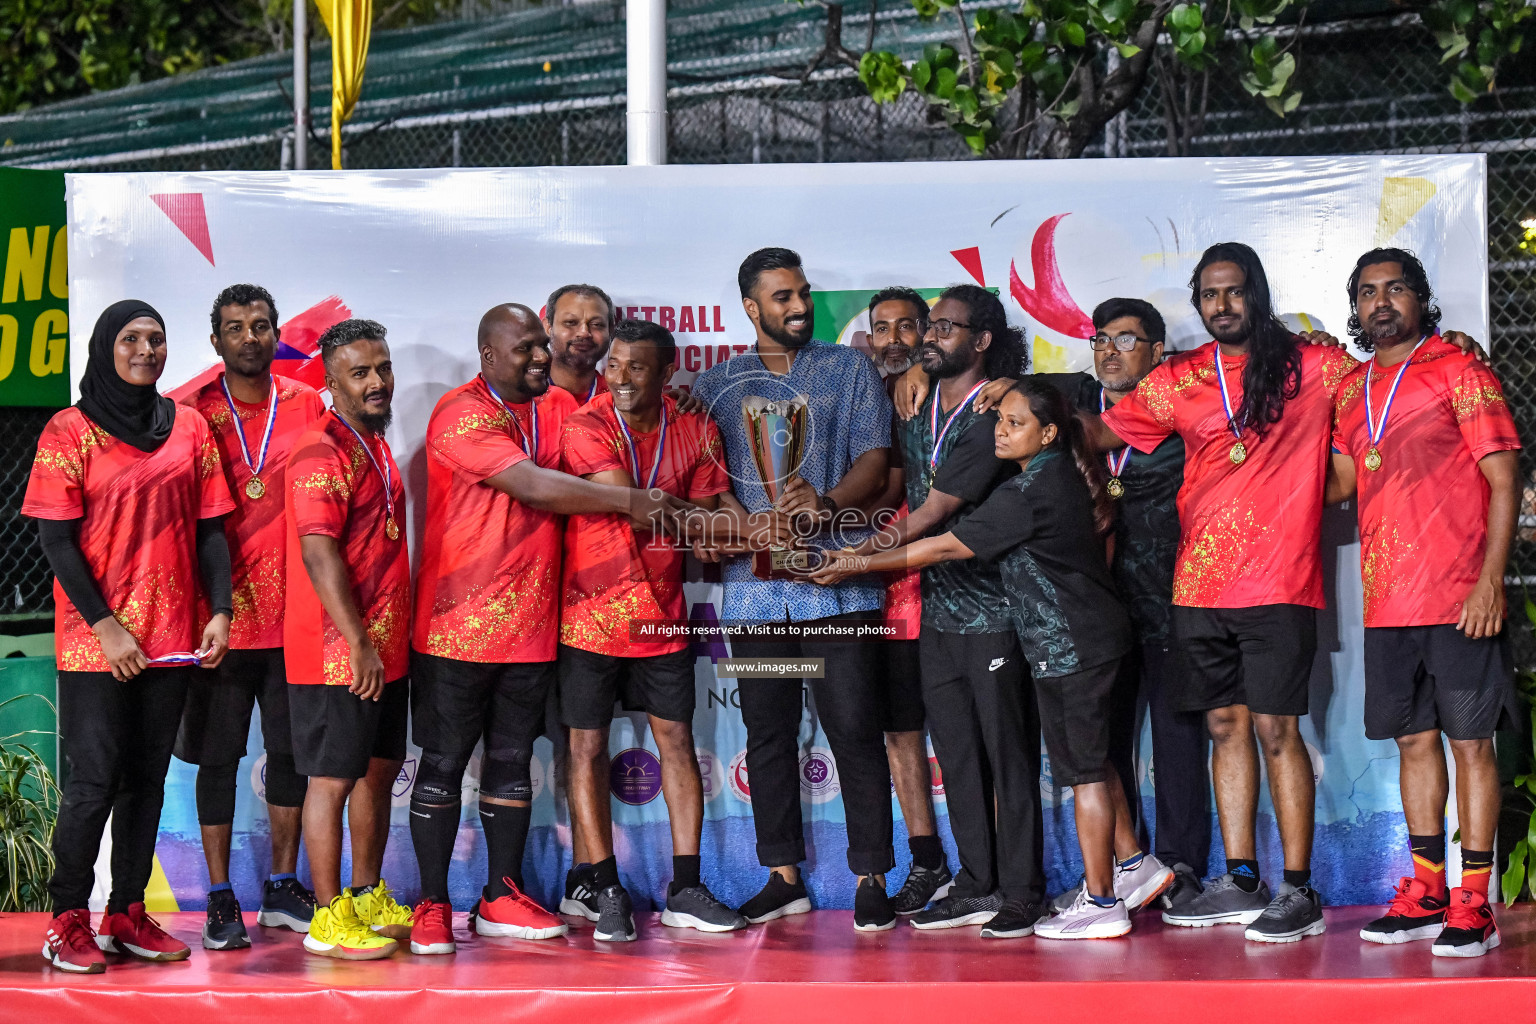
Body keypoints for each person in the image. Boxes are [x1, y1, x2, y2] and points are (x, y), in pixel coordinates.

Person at [1083, 243, 1355, 943]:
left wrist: (1300, 500)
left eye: (1233, 292)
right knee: (1224, 729)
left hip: (1280, 583)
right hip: (1198, 586)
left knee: (1276, 731)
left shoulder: (1315, 365)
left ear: (1255, 295)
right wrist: (1015, 397)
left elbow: (1381, 398)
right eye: (1209, 294)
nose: (1221, 305)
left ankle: (1298, 889)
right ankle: (1240, 881)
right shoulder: (1181, 379)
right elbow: (1101, 431)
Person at [406, 305, 690, 955]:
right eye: (526, 348)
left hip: (534, 631)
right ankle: (430, 903)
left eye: (542, 345)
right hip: (456, 630)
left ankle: (500, 895)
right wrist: (630, 502)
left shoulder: (559, 408)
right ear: (487, 356)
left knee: (511, 767)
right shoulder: (461, 410)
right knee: (444, 767)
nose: (541, 356)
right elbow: (534, 485)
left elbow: (610, 446)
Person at [813, 379, 1141, 940]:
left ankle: (1096, 899)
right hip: (1062, 646)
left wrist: (855, 564)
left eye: (1015, 423)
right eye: (1001, 420)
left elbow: (943, 545)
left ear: (1049, 433)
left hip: (1073, 645)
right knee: (1087, 766)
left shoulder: (1031, 489)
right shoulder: (1042, 476)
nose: (1001, 431)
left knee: (1079, 771)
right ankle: (1129, 869)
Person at [831, 285, 1052, 938]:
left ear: (981, 342)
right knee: (956, 757)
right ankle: (976, 883)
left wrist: (855, 558)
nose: (931, 335)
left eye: (947, 328)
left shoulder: (997, 415)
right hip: (940, 615)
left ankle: (1022, 892)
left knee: (1005, 759)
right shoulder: (917, 406)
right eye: (932, 325)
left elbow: (931, 514)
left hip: (997, 611)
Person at [688, 246, 898, 932]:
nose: (800, 306)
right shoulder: (718, 384)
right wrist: (743, 523)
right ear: (751, 307)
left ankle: (871, 875)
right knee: (769, 735)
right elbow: (705, 481)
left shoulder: (850, 368)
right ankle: (783, 877)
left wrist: (828, 504)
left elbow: (876, 457)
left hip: (837, 587)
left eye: (803, 293)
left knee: (855, 731)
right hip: (755, 594)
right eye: (782, 297)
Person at [28, 300, 235, 974]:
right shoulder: (69, 429)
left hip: (172, 635)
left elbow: (210, 529)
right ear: (104, 346)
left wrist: (221, 610)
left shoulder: (190, 428)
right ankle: (67, 920)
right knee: (92, 784)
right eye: (131, 338)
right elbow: (56, 540)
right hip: (99, 643)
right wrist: (106, 625)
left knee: (145, 782)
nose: (146, 349)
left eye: (156, 338)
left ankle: (126, 913)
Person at [1328, 249, 1520, 958]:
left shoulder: (1460, 372)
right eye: (1368, 292)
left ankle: (1476, 902)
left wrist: (1490, 581)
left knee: (1471, 744)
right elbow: (1343, 481)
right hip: (1389, 602)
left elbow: (1504, 480)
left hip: (1461, 595)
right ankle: (1429, 889)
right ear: (1356, 307)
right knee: (1413, 743)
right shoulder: (1351, 390)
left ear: (1421, 298)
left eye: (1396, 289)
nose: (1382, 302)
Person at [558, 319, 747, 941]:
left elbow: (717, 512)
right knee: (584, 749)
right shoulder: (586, 424)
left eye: (637, 367)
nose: (619, 377)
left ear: (668, 374)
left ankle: (685, 886)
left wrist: (737, 529)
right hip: (588, 614)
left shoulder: (694, 426)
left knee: (677, 742)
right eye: (614, 364)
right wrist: (719, 529)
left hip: (661, 617)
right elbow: (630, 501)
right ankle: (602, 883)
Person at [1036, 299, 1209, 914]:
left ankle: (1182, 866)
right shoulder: (1076, 402)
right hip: (1095, 609)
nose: (1110, 351)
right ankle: (1119, 869)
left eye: (1127, 339)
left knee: (1178, 738)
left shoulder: (1188, 402)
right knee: (1100, 746)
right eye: (1101, 339)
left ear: (1159, 350)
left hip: (1170, 598)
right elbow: (1015, 390)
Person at [176, 284, 324, 950]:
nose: (250, 337)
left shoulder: (309, 406)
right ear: (215, 341)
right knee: (218, 759)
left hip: (296, 618)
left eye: (261, 326)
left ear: (275, 334)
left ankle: (284, 885)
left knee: (292, 755)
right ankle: (217, 894)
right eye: (235, 328)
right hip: (221, 620)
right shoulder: (190, 415)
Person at [284, 319, 413, 960]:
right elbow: (319, 555)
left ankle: (365, 895)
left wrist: (380, 648)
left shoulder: (375, 445)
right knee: (332, 781)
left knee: (376, 776)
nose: (377, 382)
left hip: (382, 651)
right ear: (331, 381)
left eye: (383, 368)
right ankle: (328, 915)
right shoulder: (319, 451)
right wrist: (359, 642)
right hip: (338, 654)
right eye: (360, 373)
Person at [860, 286, 953, 914]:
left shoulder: (954, 393)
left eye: (908, 328)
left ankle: (990, 868)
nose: (894, 340)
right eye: (882, 328)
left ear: (929, 334)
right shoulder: (856, 396)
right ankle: (928, 864)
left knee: (968, 739)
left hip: (953, 597)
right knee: (899, 737)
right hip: (880, 600)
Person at [545, 283, 615, 405]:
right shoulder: (522, 394)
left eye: (596, 324)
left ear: (610, 330)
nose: (584, 333)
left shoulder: (620, 398)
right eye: (571, 322)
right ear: (548, 327)